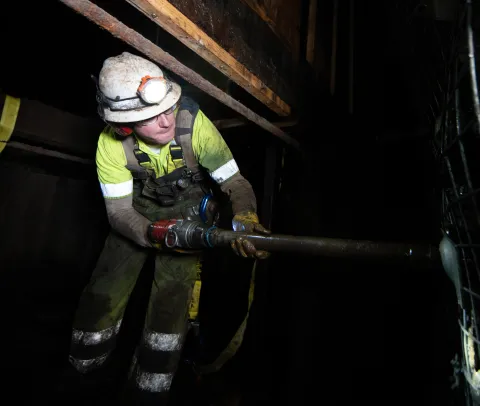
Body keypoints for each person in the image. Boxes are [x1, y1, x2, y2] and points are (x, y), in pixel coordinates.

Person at [67, 52, 269, 403]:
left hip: (189, 211)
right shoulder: (111, 146)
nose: (165, 122)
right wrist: (151, 233)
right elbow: (118, 214)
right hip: (136, 214)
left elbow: (234, 183)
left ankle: (149, 387)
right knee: (106, 287)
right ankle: (83, 367)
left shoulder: (193, 124)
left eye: (167, 109)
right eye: (150, 117)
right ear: (124, 127)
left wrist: (245, 218)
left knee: (171, 302)